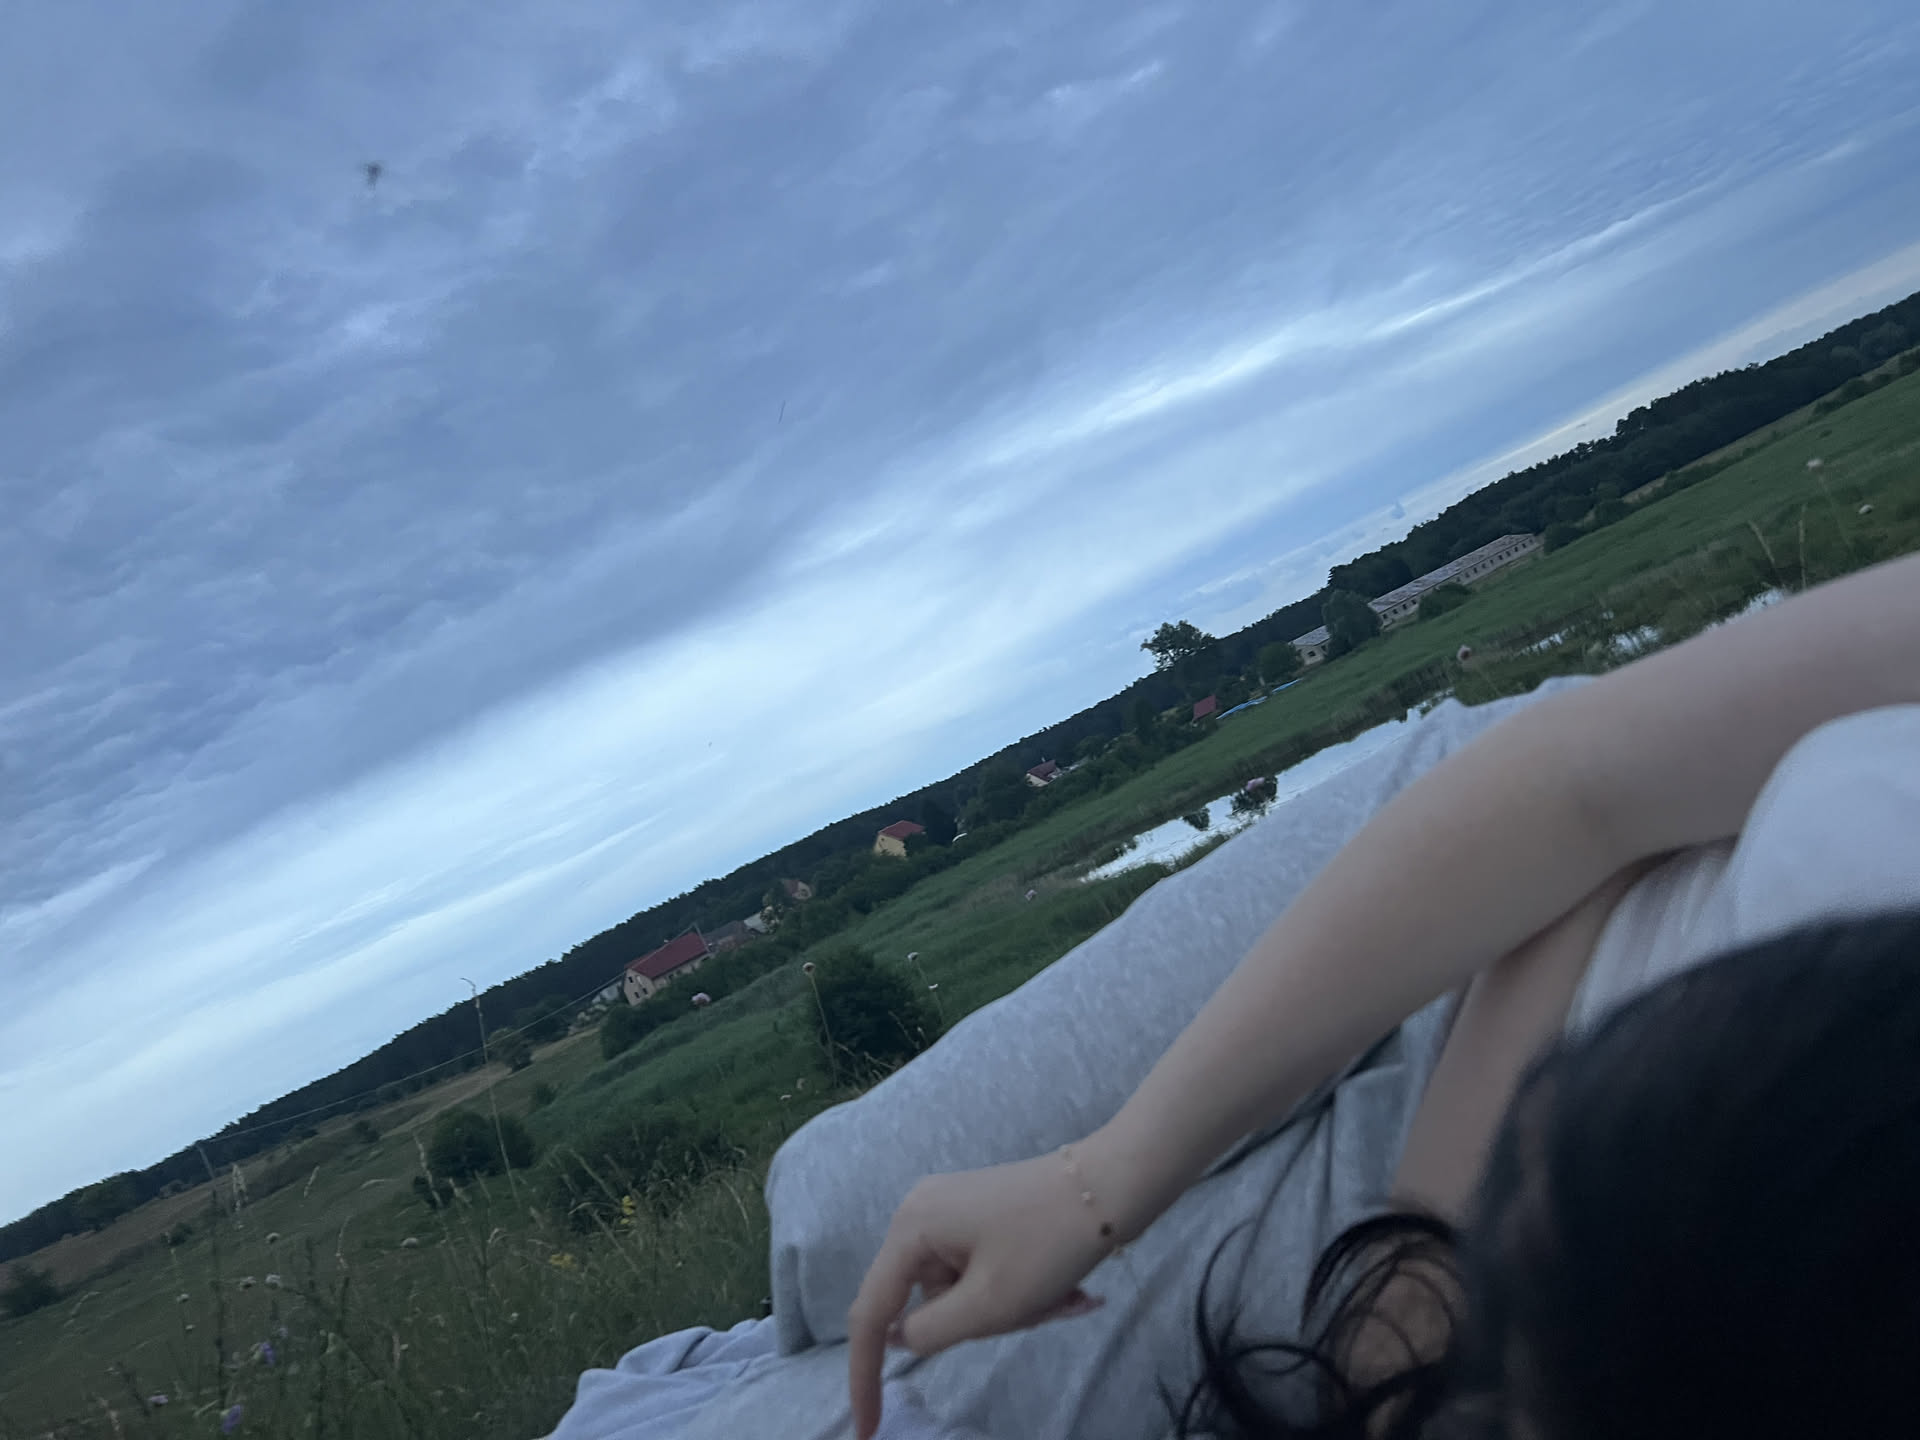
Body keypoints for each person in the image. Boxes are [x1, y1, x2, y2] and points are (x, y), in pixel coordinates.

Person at [843, 551, 1920, 1440]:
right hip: (1484, 856)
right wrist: (1103, 1177)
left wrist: (1406, 1358)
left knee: (894, 1380)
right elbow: (1579, 787)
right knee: (839, 1206)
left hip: (1501, 1251)